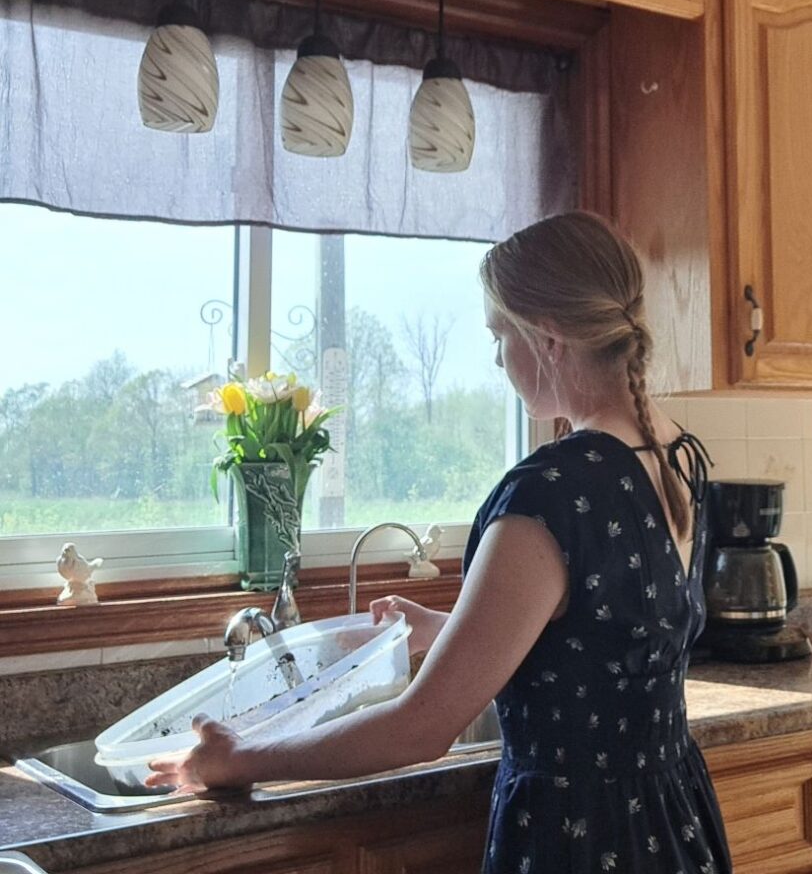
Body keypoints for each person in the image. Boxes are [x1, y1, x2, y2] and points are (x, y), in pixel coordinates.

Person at [147, 210, 732, 873]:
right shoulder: (676, 454)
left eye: (496, 335)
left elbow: (420, 728)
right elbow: (609, 632)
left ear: (545, 339)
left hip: (582, 841)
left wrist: (236, 760)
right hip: (672, 822)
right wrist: (454, 626)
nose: (494, 359)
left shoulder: (550, 493)